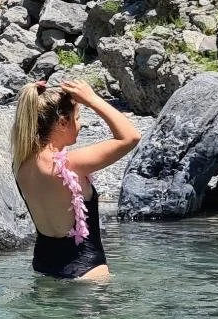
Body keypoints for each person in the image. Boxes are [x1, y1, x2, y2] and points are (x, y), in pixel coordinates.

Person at [12, 79, 140, 281]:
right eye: (77, 118)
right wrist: (92, 99)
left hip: (43, 266)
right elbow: (130, 137)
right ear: (63, 122)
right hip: (85, 270)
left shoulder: (20, 165)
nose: (80, 125)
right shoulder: (70, 164)